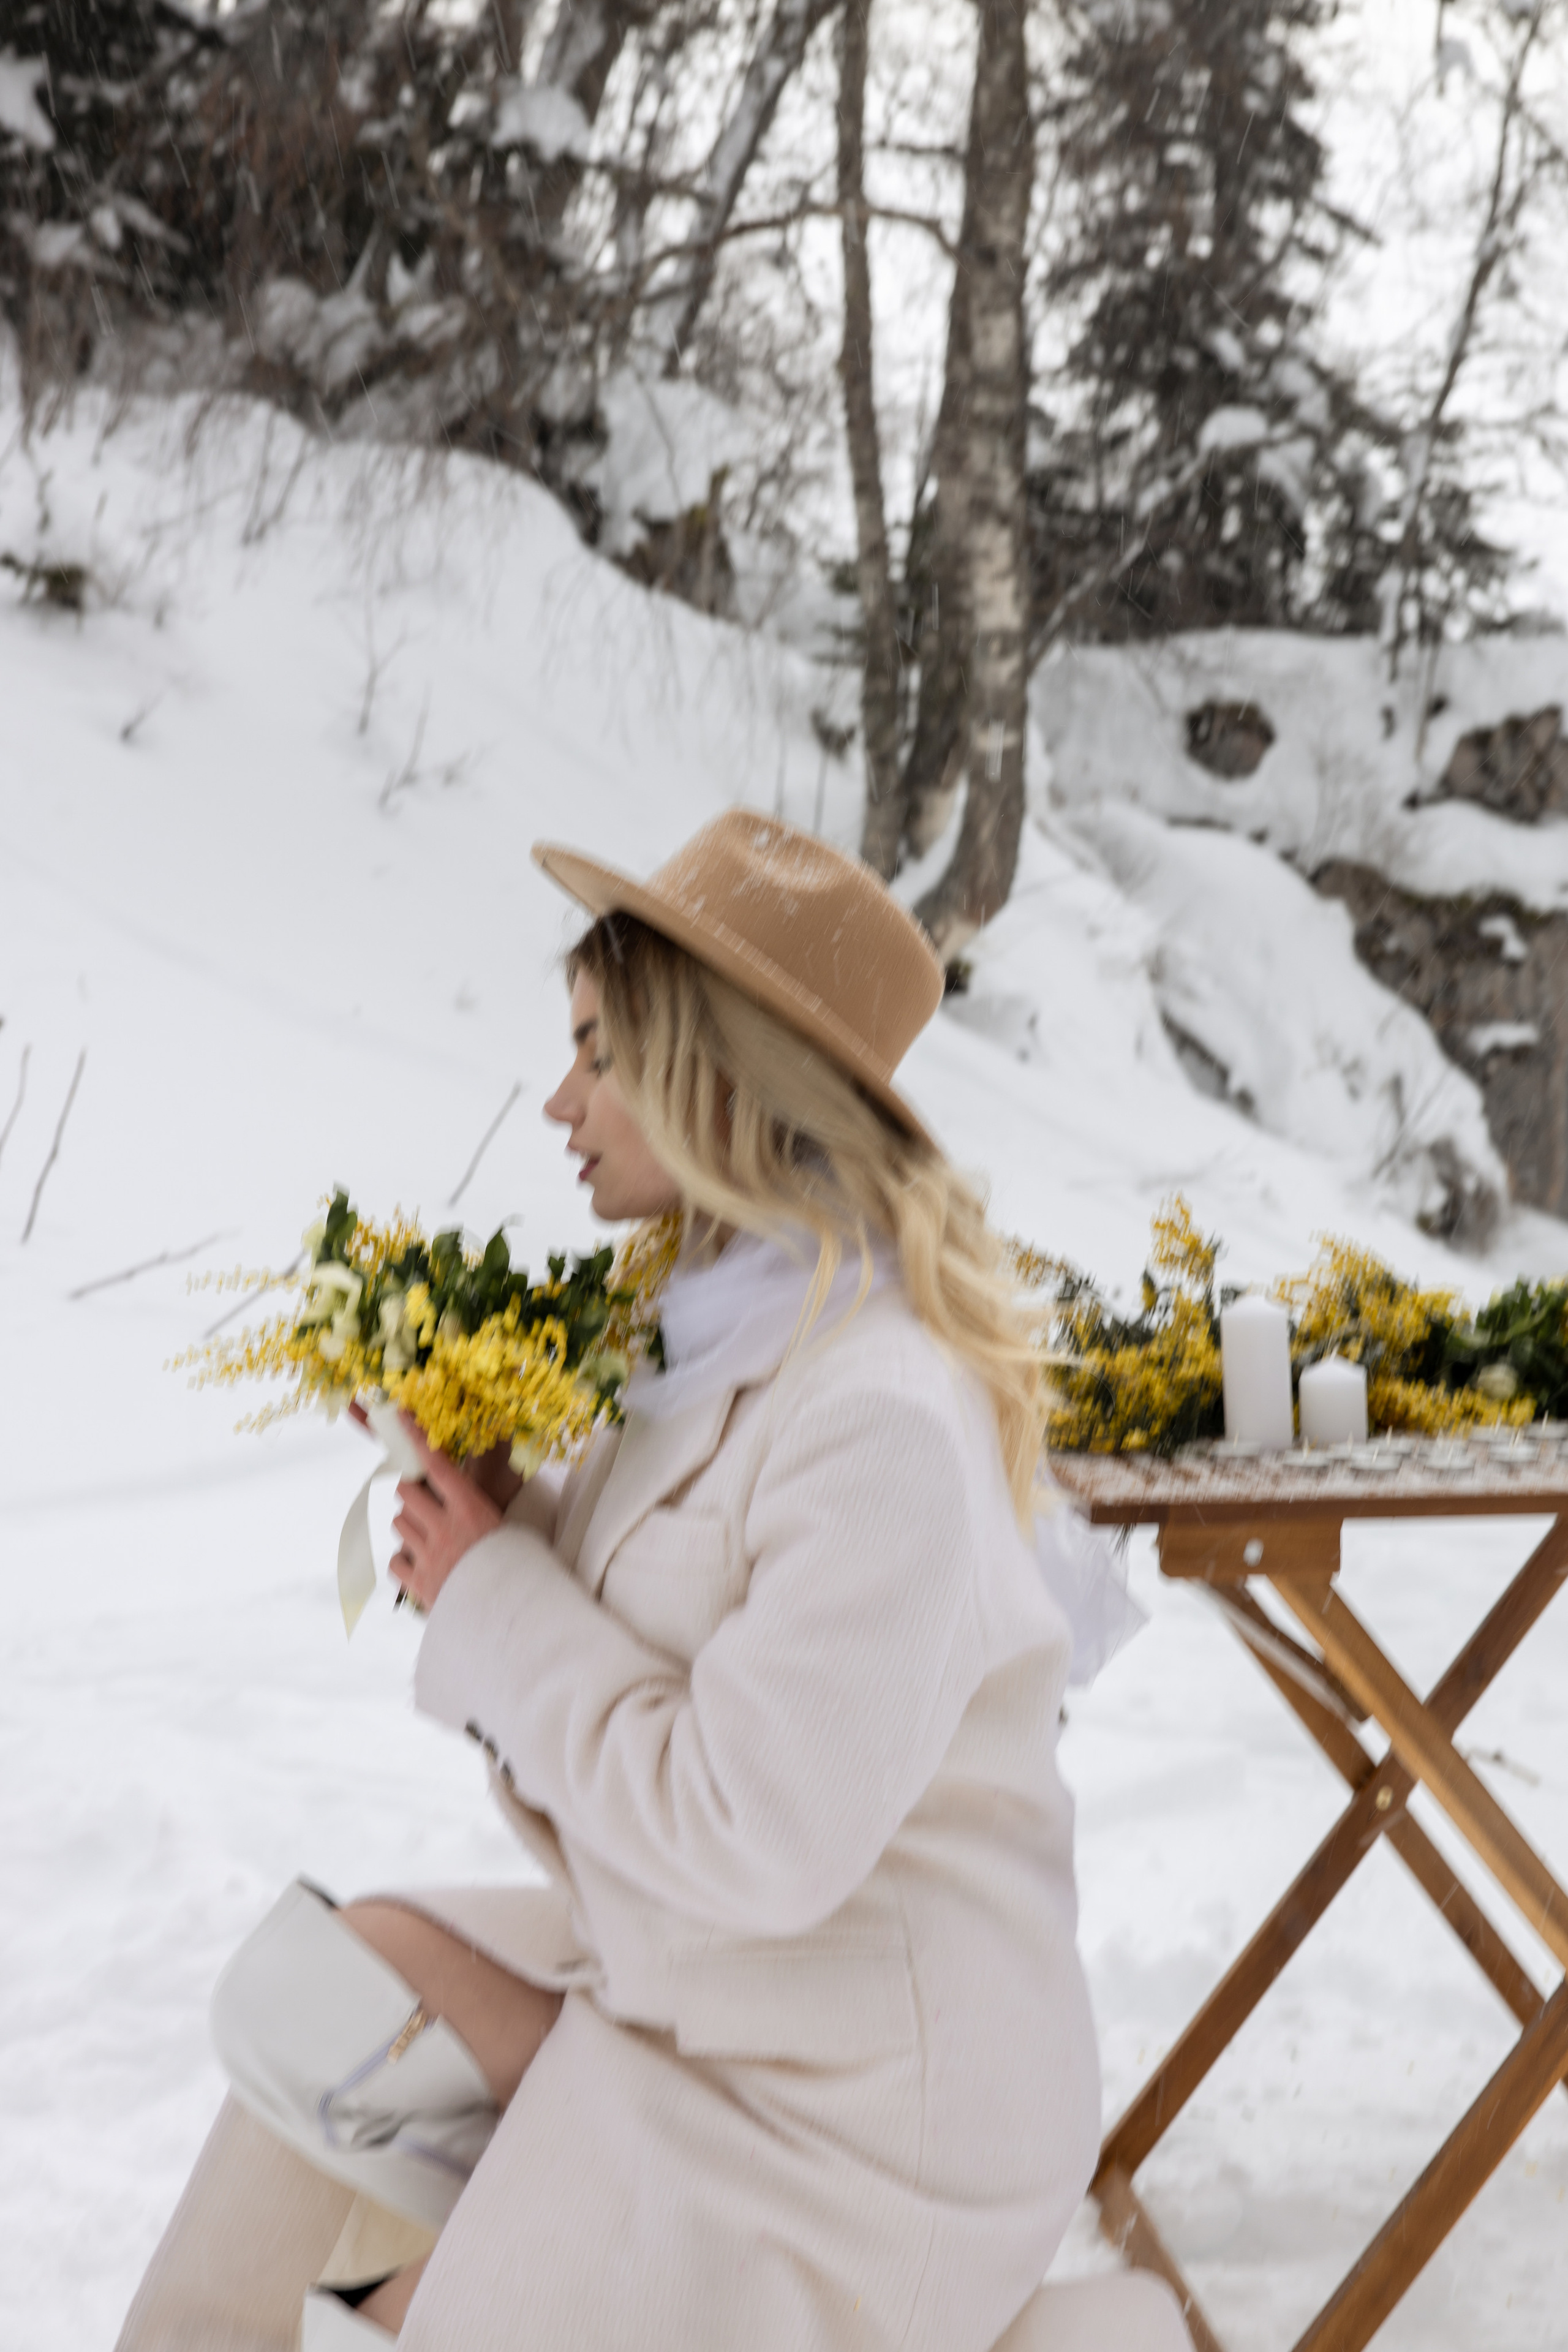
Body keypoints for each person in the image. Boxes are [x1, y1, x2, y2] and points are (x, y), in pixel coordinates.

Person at [118, 812, 1188, 2352]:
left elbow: (747, 1830)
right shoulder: (729, 1331)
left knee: (409, 2293)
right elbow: (684, 1618)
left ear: (720, 1073)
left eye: (599, 1055)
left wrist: (497, 1593)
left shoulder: (878, 1411)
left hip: (862, 2124)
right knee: (317, 2005)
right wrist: (517, 1526)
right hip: (721, 1998)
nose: (561, 1100)